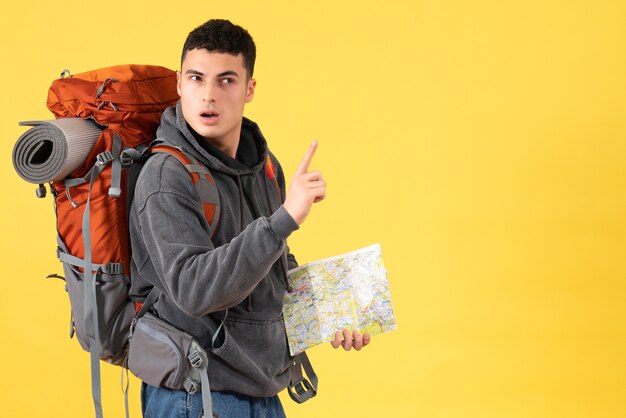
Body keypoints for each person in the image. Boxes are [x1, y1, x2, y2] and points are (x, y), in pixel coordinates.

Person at [129, 19, 370, 418]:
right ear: (179, 84)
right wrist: (285, 218)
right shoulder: (166, 175)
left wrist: (332, 314)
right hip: (195, 395)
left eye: (226, 80)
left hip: (262, 386)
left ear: (249, 89)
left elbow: (272, 268)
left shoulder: (264, 166)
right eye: (196, 78)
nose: (208, 95)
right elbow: (193, 290)